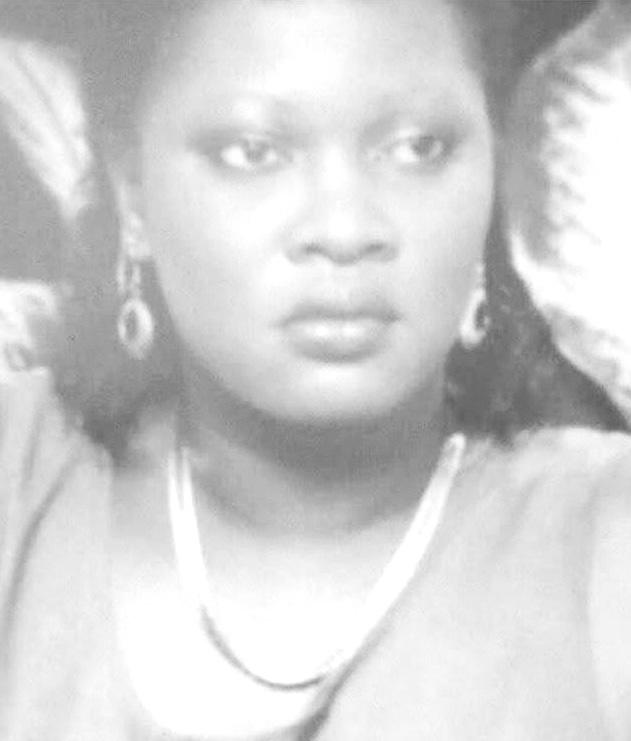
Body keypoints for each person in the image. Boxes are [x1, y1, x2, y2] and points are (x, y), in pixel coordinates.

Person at [0, 0, 630, 739]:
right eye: (254, 151)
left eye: (418, 147)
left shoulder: (601, 541)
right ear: (131, 190)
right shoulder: (21, 477)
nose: (344, 228)